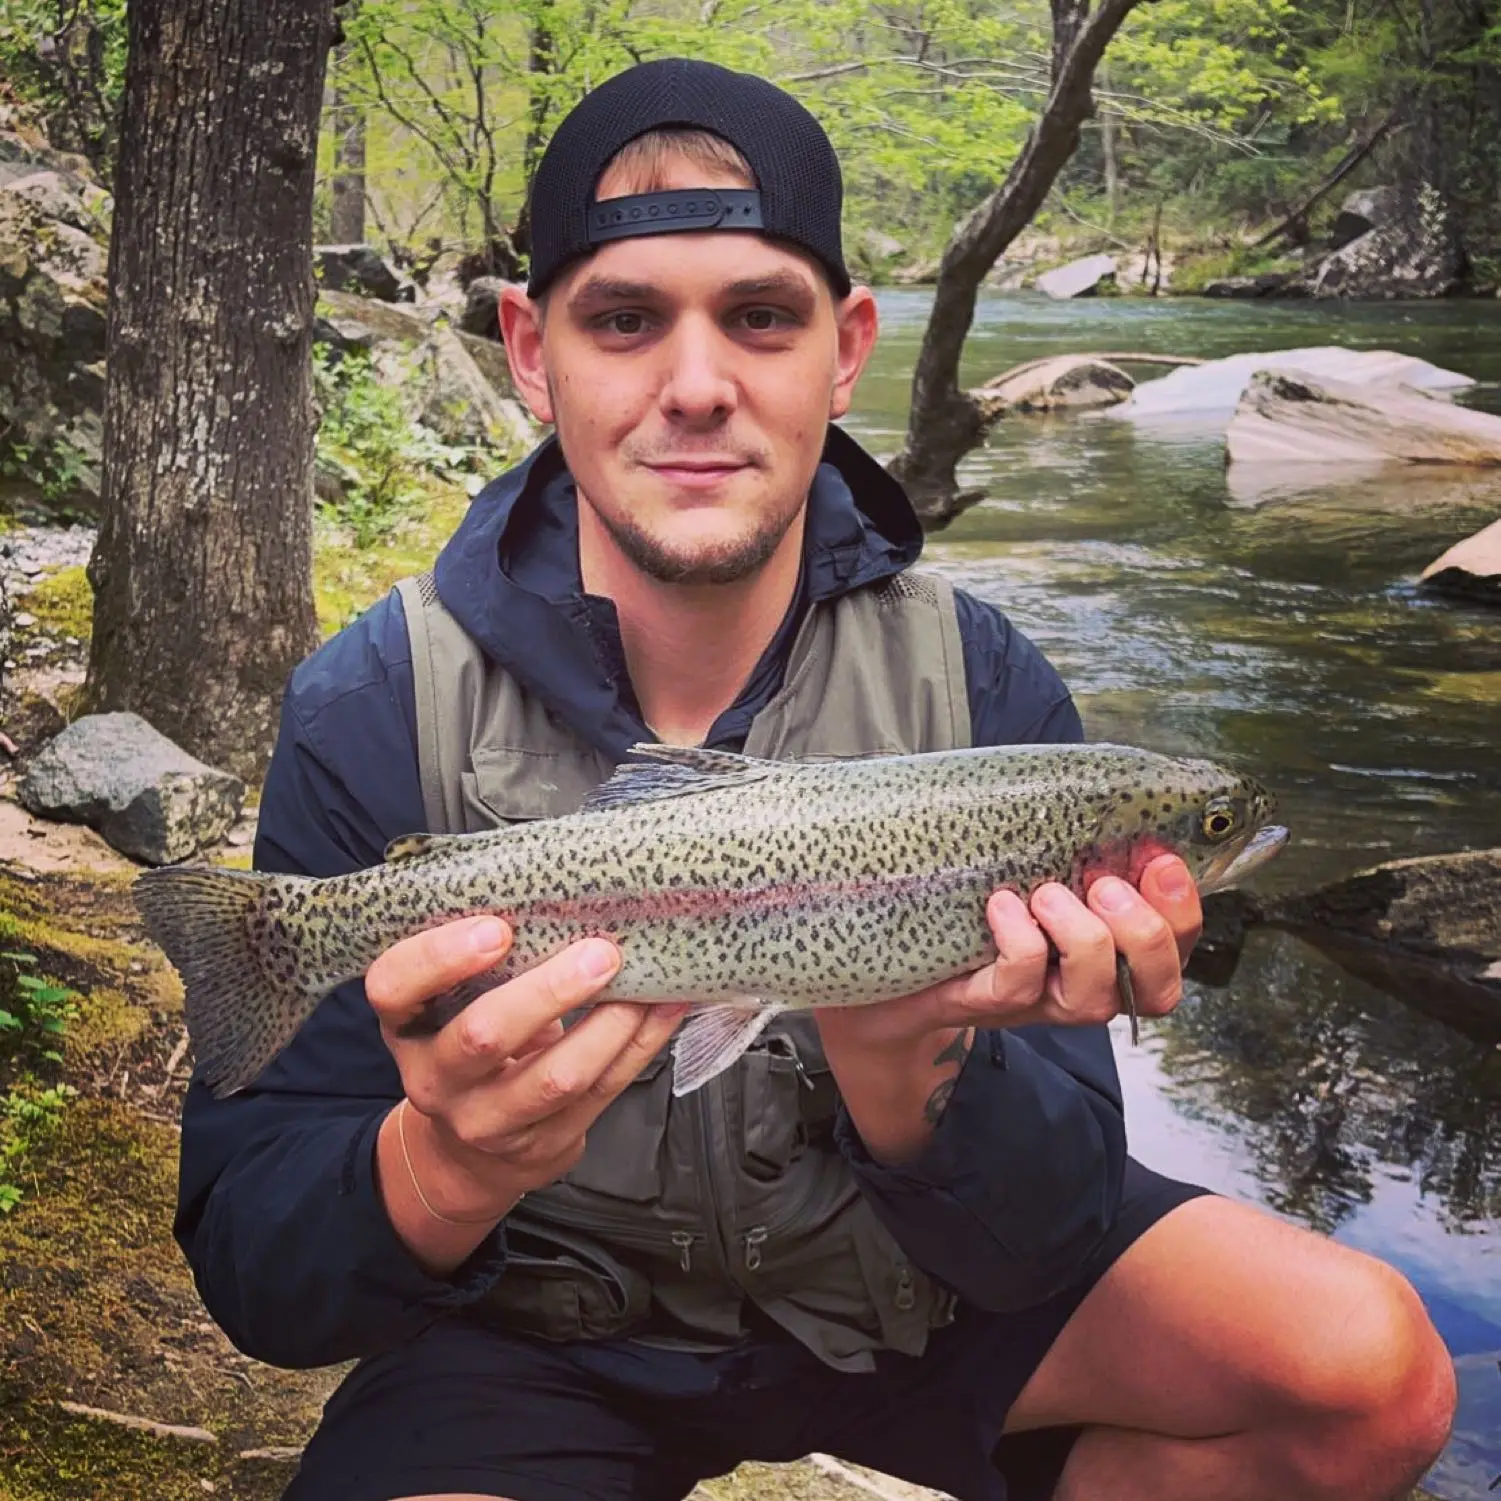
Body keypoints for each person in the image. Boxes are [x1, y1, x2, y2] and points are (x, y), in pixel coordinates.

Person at [175, 58, 1456, 1501]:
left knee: (1368, 1373)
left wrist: (910, 1070)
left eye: (761, 317)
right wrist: (441, 1171)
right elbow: (263, 1285)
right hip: (530, 1332)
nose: (700, 386)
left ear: (846, 348)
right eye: (626, 319)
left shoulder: (990, 695)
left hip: (917, 1297)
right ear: (531, 349)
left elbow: (1046, 1233)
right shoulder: (370, 701)